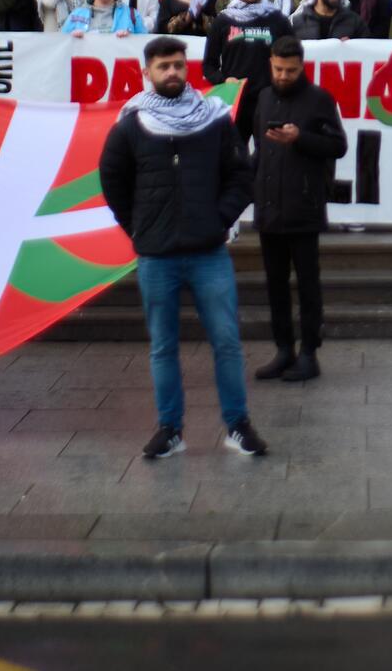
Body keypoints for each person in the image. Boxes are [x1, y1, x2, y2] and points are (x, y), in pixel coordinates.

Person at [100, 37, 267, 460]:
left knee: (227, 340)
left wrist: (219, 219)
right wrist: (137, 228)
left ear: (186, 67)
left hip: (208, 251)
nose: (172, 73)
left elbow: (240, 176)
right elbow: (112, 180)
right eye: (163, 67)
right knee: (162, 346)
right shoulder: (131, 124)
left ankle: (238, 426)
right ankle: (170, 429)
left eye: (177, 65)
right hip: (156, 255)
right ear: (147, 73)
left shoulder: (213, 118)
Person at [250, 37, 348, 383]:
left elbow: (339, 145)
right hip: (268, 207)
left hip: (303, 206)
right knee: (275, 284)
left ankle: (309, 352)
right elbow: (258, 149)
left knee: (307, 284)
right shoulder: (262, 96)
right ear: (270, 64)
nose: (283, 75)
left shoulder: (319, 99)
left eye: (290, 70)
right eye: (278, 69)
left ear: (302, 66)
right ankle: (282, 349)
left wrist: (301, 138)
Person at [204, 0, 293, 145]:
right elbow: (209, 65)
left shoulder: (278, 19)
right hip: (235, 101)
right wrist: (223, 80)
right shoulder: (223, 20)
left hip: (269, 100)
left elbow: (294, 59)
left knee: (269, 157)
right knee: (235, 160)